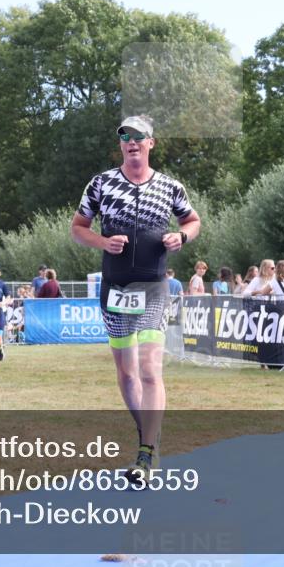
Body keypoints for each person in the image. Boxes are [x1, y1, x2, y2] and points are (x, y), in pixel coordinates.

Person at [69, 114, 200, 483]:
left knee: (148, 366)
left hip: (153, 286)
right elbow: (78, 228)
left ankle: (146, 451)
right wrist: (102, 241)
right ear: (121, 144)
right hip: (115, 288)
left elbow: (193, 220)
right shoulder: (101, 184)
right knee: (127, 372)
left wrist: (182, 237)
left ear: (151, 143)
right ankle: (148, 436)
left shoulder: (170, 187)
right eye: (124, 136)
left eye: (138, 136)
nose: (131, 141)